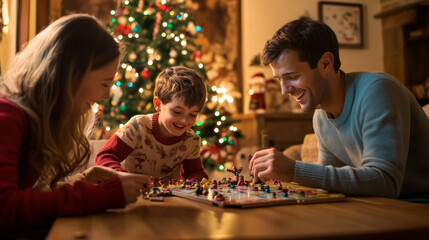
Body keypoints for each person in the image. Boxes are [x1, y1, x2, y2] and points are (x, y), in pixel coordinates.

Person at [0, 14, 150, 237]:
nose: (107, 96)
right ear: (71, 74)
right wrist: (101, 196)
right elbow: (5, 209)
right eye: (104, 83)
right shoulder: (7, 117)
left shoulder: (35, 121)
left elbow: (31, 196)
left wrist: (85, 178)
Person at [249, 18, 429, 203]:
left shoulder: (378, 90)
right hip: (376, 207)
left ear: (326, 63)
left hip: (416, 207)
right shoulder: (320, 116)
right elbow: (329, 183)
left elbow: (386, 182)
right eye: (280, 79)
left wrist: (294, 170)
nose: (284, 90)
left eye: (292, 77)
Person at [96, 66, 209, 184]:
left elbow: (195, 172)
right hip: (134, 195)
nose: (184, 121)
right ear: (158, 104)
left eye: (192, 114)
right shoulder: (138, 126)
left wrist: (196, 182)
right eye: (177, 112)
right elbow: (106, 155)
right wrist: (122, 177)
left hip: (170, 198)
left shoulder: (191, 140)